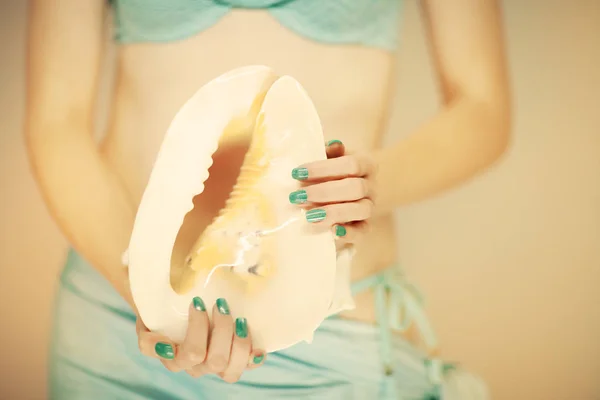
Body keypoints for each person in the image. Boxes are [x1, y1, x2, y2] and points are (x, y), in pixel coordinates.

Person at [25, 1, 511, 399]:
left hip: (330, 339)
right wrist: (145, 289)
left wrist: (371, 183)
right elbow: (57, 120)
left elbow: (482, 106)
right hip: (115, 320)